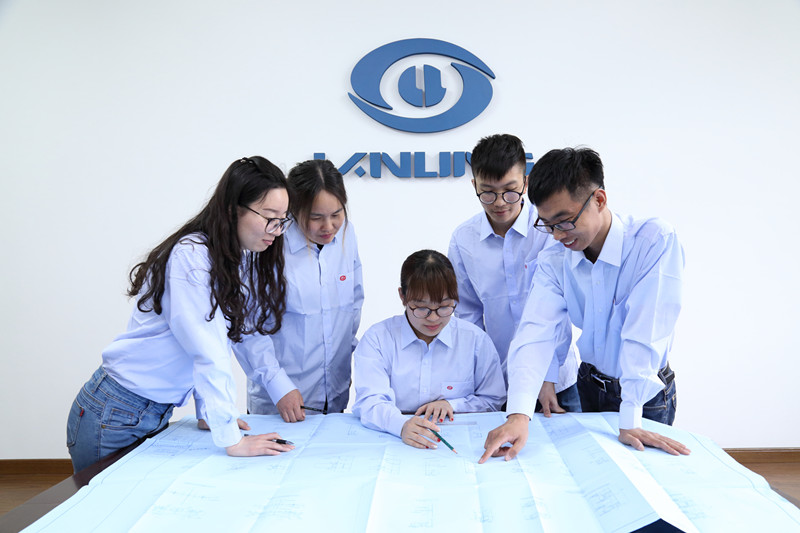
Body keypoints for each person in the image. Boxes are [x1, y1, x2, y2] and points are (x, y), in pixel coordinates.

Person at [66, 156, 295, 473]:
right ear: (233, 210)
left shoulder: (228, 258)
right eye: (270, 218)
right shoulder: (191, 256)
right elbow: (207, 349)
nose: (277, 231)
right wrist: (230, 438)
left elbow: (214, 340)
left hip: (141, 412)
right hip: (115, 413)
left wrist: (207, 413)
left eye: (283, 220)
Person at [480, 147, 690, 463]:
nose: (556, 235)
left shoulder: (652, 241)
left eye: (564, 222)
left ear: (599, 200)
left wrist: (631, 416)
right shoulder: (554, 260)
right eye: (547, 224)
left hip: (644, 395)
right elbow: (535, 333)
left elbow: (645, 333)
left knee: (645, 480)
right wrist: (519, 415)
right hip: (590, 385)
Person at [448, 133, 580, 414]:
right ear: (474, 185)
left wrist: (547, 373)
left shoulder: (549, 231)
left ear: (525, 183)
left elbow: (559, 308)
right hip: (501, 382)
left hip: (558, 380)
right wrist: (481, 377)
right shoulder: (463, 240)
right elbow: (468, 317)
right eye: (487, 192)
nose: (499, 202)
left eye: (510, 190)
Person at [245, 159, 364, 422]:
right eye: (316, 217)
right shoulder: (269, 244)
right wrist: (279, 386)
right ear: (293, 210)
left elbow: (353, 305)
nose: (328, 227)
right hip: (280, 400)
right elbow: (248, 328)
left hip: (334, 393)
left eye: (336, 214)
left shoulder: (347, 234)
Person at [352, 250, 505, 449]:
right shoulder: (378, 339)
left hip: (457, 443)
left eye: (444, 306)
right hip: (394, 441)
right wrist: (401, 425)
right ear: (402, 296)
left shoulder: (475, 340)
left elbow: (493, 399)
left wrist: (453, 405)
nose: (433, 318)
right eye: (421, 308)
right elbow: (370, 401)